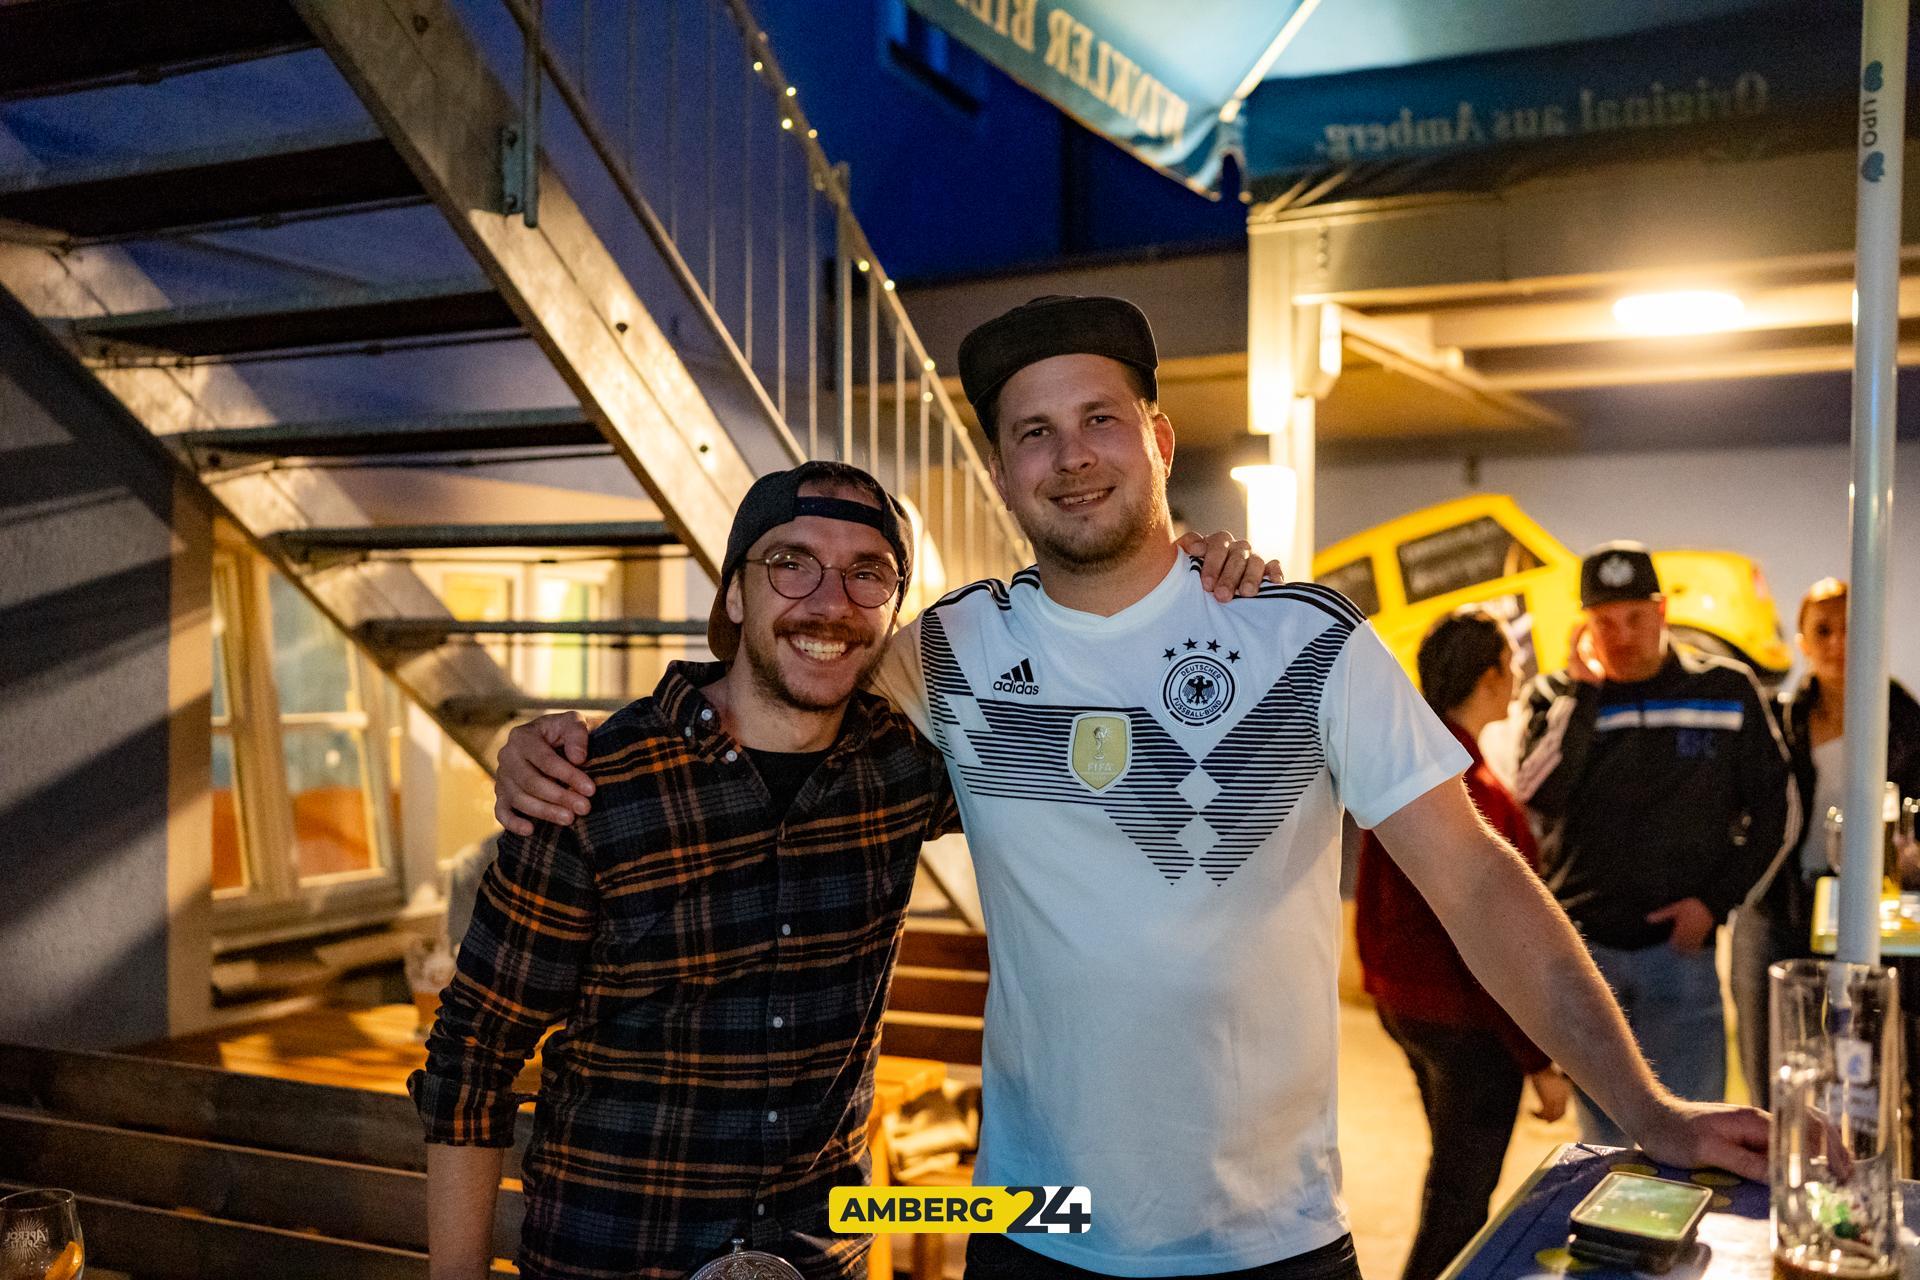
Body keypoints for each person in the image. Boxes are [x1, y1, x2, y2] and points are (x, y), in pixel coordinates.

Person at [499, 296, 1769, 1280]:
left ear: (1159, 437)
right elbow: (778, 666)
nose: (1071, 456)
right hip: (1031, 1221)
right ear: (1000, 471)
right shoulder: (950, 650)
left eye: (1100, 418)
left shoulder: (1302, 636)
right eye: (1032, 432)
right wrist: (557, 738)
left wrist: (1643, 1100)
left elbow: (1482, 885)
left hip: (1271, 1231)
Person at [422, 459, 1278, 1280]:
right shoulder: (593, 787)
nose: (829, 604)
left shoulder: (907, 768)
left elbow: (1104, 745)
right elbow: (473, 1059)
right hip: (611, 1251)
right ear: (733, 591)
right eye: (792, 565)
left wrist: (1170, 585)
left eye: (868, 575)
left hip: (822, 1252)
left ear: (894, 608)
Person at [1514, 541, 1794, 1146]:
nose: (1621, 635)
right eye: (1604, 621)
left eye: (1634, 616)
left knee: (1698, 1142)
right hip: (1586, 960)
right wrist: (1584, 698)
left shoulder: (1726, 688)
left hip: (1682, 957)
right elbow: (1539, 796)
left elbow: (1777, 811)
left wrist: (1714, 904)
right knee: (1607, 1150)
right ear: (1584, 625)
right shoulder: (1555, 696)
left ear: (1662, 610)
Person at [1354, 608, 1569, 1280]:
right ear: (1489, 676)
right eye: (1511, 665)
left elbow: (1372, 901)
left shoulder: (1407, 770)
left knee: (1448, 1181)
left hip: (1409, 1012)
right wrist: (1539, 1059)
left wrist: (1381, 985)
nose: (1518, 678)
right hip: (1467, 1027)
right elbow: (1492, 946)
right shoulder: (1475, 796)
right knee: (1461, 1205)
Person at [1730, 577, 1920, 1107]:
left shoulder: (1906, 722)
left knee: (1861, 1068)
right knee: (1770, 1062)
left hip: (1868, 913)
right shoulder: (1779, 720)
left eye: (1851, 630)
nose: (1838, 643)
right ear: (1802, 640)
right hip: (1777, 905)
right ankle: (1773, 1167)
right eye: (1823, 630)